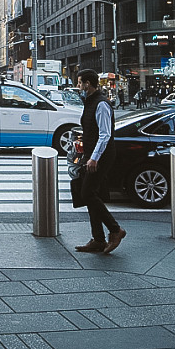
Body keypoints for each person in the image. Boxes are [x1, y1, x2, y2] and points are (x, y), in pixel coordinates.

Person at [73, 69, 125, 254]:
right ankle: (98, 239)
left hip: (101, 156)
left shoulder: (101, 104)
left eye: (80, 83)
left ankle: (115, 230)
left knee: (87, 193)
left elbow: (105, 135)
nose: (78, 86)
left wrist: (94, 158)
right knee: (89, 193)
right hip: (92, 154)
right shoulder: (90, 102)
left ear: (88, 83)